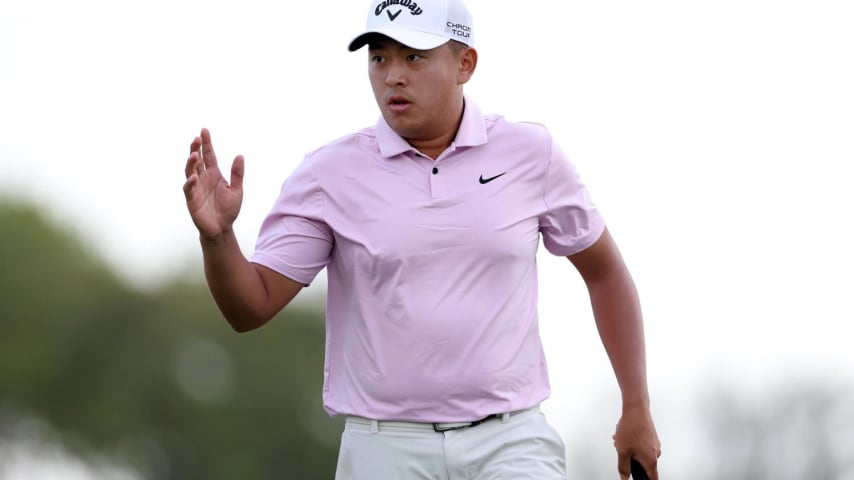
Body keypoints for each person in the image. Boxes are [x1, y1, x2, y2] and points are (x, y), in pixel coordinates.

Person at [182, 0, 661, 478]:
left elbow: (604, 273)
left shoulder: (530, 154)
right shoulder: (328, 174)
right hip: (384, 447)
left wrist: (636, 404)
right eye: (379, 57)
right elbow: (251, 307)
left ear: (465, 64)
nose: (392, 75)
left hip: (510, 439)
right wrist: (219, 238)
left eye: (413, 56)